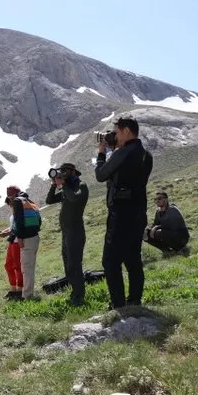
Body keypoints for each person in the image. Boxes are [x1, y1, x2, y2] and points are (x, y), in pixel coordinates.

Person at [95, 116, 153, 309]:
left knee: (110, 261)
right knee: (132, 258)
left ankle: (118, 304)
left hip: (120, 214)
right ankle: (135, 300)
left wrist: (102, 154)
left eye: (117, 132)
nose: (115, 136)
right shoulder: (146, 155)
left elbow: (101, 175)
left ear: (127, 131)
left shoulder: (123, 153)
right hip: (138, 213)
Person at [45, 163, 89, 306]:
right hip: (66, 232)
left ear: (73, 171)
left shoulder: (80, 186)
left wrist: (63, 185)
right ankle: (74, 291)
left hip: (75, 232)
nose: (62, 173)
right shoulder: (67, 188)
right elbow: (49, 200)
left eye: (65, 171)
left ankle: (79, 296)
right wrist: (54, 185)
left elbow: (74, 198)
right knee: (68, 263)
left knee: (74, 264)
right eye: (61, 171)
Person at [7, 185, 42, 300]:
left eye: (9, 196)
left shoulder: (18, 201)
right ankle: (28, 293)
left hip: (26, 238)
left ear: (13, 195)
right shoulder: (29, 201)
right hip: (35, 237)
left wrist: (20, 237)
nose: (9, 199)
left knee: (26, 269)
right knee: (29, 267)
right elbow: (39, 219)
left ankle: (27, 296)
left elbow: (19, 220)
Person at [0, 197, 23, 301]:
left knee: (18, 267)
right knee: (8, 266)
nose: (10, 206)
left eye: (10, 203)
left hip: (17, 242)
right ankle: (13, 290)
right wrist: (4, 231)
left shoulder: (20, 212)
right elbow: (12, 227)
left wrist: (6, 233)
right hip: (12, 242)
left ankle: (19, 291)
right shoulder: (13, 214)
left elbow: (17, 228)